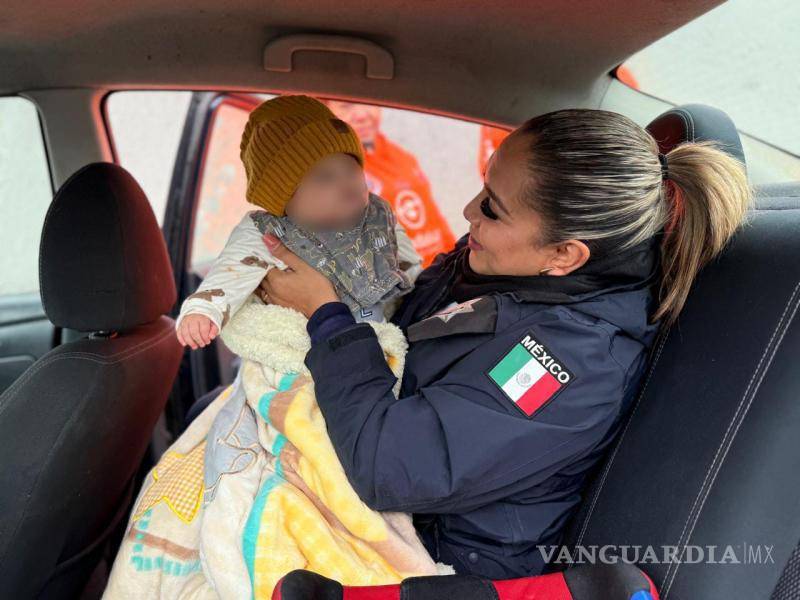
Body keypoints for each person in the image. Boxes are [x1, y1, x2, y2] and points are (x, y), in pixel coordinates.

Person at [255, 108, 752, 579]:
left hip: (437, 562)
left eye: (491, 208)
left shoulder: (568, 363)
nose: (469, 210)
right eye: (484, 188)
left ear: (563, 255)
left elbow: (390, 467)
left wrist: (326, 316)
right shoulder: (504, 265)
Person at [175, 94, 421, 350]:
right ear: (285, 198)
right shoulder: (269, 231)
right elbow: (230, 273)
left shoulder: (377, 216)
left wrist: (422, 294)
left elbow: (410, 267)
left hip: (375, 340)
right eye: (325, 178)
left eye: (352, 170)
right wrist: (203, 310)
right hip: (302, 350)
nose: (347, 184)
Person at [325, 100, 456, 267]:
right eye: (346, 106)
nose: (362, 115)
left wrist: (457, 261)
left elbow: (435, 219)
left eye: (368, 102)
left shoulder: (401, 155)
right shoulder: (333, 175)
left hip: (441, 272)